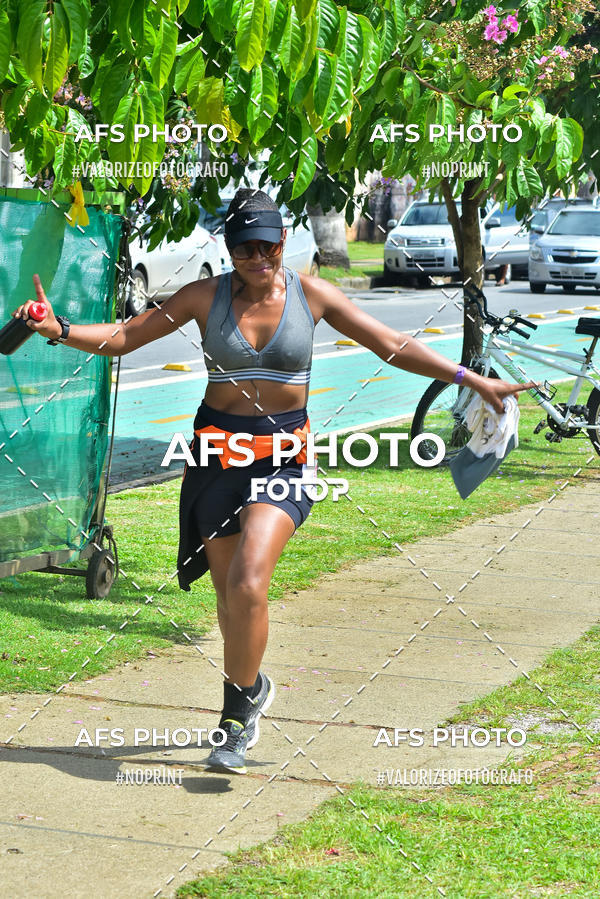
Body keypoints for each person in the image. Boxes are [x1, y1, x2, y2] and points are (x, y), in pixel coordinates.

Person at [12, 188, 535, 775]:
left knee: (248, 581)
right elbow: (126, 337)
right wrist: (58, 328)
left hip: (286, 459)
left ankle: (234, 723)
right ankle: (253, 685)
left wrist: (472, 377)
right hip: (216, 455)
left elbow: (391, 344)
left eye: (267, 246)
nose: (257, 258)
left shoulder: (311, 295)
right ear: (230, 250)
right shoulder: (203, 296)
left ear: (284, 242)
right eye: (244, 249)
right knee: (229, 597)